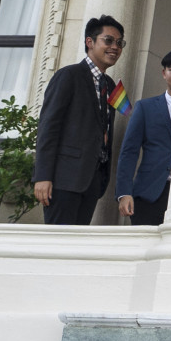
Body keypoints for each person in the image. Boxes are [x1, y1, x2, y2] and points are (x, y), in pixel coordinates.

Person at [33, 16, 126, 225]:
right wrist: (42, 176)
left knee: (77, 245)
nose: (115, 47)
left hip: (92, 181)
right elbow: (48, 128)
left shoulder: (109, 85)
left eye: (119, 43)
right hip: (64, 180)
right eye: (108, 41)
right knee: (58, 245)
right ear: (89, 42)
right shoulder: (69, 75)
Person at [115, 47, 171, 226]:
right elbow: (129, 152)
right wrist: (124, 193)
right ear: (164, 73)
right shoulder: (145, 108)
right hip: (149, 194)